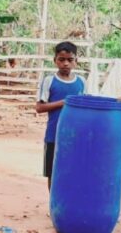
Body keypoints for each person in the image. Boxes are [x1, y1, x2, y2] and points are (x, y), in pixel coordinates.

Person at [35, 42, 86, 190]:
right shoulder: (50, 81)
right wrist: (64, 102)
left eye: (70, 60)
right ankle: (54, 206)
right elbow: (39, 107)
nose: (65, 63)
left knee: (73, 171)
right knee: (53, 172)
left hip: (75, 135)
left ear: (76, 61)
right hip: (54, 135)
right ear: (55, 60)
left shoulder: (81, 82)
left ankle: (69, 204)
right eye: (61, 59)